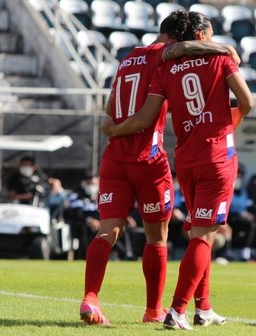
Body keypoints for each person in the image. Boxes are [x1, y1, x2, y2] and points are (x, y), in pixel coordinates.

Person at [80, 10, 241, 326]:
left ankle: (90, 298)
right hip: (148, 159)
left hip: (114, 158)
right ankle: (154, 311)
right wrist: (224, 49)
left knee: (107, 230)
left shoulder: (128, 59)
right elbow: (184, 50)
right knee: (157, 238)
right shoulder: (164, 55)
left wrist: (113, 128)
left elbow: (111, 107)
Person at [228, 168, 256, 261]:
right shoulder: (227, 189)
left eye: (239, 177)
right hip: (229, 217)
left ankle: (245, 251)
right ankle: (228, 252)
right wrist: (242, 213)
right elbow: (230, 205)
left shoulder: (243, 191)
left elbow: (246, 206)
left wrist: (248, 214)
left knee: (251, 224)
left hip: (241, 218)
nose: (238, 179)